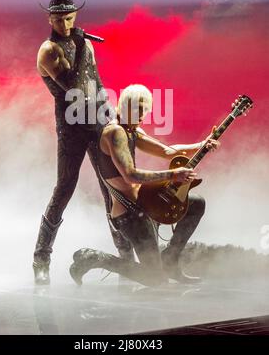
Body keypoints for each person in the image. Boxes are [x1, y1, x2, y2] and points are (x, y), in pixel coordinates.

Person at [70, 84, 220, 287]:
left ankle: (171, 260)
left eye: (144, 110)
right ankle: (95, 258)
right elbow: (130, 175)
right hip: (129, 214)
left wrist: (202, 145)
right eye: (137, 110)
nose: (141, 115)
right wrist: (173, 175)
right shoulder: (115, 133)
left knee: (196, 203)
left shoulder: (131, 130)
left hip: (147, 204)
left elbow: (168, 151)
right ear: (124, 106)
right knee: (155, 280)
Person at [33, 0, 130, 284]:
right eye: (60, 20)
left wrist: (110, 115)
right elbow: (74, 88)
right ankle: (41, 258)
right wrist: (76, 42)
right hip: (71, 127)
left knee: (111, 188)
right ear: (50, 18)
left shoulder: (86, 45)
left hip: (97, 122)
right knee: (64, 188)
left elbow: (95, 83)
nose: (65, 25)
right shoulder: (49, 51)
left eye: (70, 19)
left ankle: (126, 255)